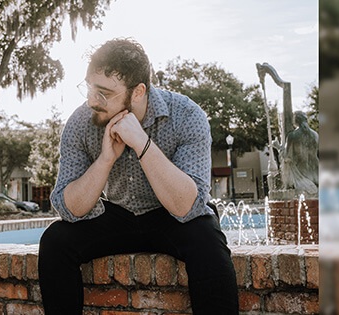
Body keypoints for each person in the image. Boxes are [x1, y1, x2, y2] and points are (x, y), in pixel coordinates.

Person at [38, 38, 238, 314]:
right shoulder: (80, 123)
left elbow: (188, 207)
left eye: (104, 93)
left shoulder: (187, 115)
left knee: (208, 239)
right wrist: (106, 159)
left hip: (171, 215)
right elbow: (69, 208)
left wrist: (141, 143)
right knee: (55, 241)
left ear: (138, 91)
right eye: (89, 87)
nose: (92, 100)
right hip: (118, 215)